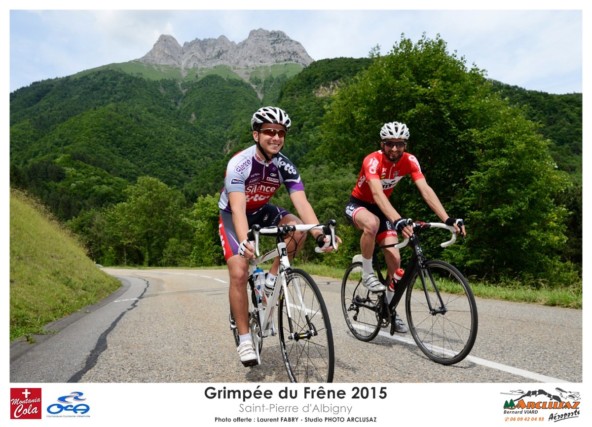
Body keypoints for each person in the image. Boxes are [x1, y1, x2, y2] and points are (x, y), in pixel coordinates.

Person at [218, 106, 338, 367]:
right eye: (269, 132)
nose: (276, 137)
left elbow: (302, 204)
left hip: (262, 210)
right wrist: (245, 240)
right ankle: (245, 338)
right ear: (256, 135)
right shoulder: (239, 163)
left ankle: (271, 280)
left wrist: (319, 234)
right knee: (239, 271)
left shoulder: (285, 165)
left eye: (281, 133)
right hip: (233, 216)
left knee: (296, 228)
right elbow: (238, 208)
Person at [344, 121, 466, 334]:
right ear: (382, 144)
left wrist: (448, 219)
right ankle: (366, 271)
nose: (394, 149)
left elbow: (425, 190)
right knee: (371, 224)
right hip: (359, 205)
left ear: (405, 144)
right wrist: (398, 219)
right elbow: (376, 194)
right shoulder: (372, 161)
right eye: (389, 144)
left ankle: (388, 309)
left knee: (395, 257)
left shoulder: (410, 161)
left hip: (383, 209)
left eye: (399, 144)